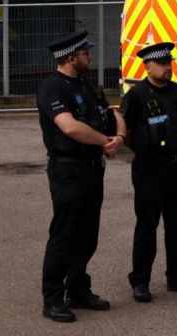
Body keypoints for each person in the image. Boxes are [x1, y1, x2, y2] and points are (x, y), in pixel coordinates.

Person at [37, 31, 125, 323]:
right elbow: (70, 127)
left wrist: (119, 137)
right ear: (72, 58)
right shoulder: (52, 88)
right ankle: (52, 298)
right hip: (68, 171)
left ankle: (77, 289)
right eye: (86, 54)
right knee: (64, 235)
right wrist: (104, 141)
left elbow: (110, 113)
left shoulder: (87, 84)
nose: (90, 58)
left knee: (88, 235)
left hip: (92, 169)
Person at [121, 42, 177, 304]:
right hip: (150, 169)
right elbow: (125, 133)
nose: (168, 67)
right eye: (162, 64)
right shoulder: (136, 96)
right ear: (148, 67)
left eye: (169, 63)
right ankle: (140, 281)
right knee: (147, 226)